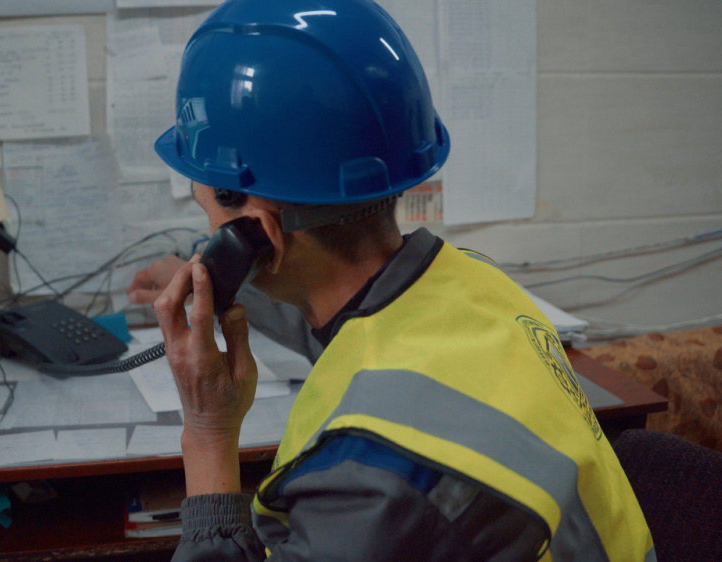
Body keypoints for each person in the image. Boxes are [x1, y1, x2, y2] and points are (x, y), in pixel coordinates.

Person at [129, 0, 655, 560]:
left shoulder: (369, 483)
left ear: (258, 234)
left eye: (207, 215)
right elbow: (347, 325)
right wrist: (216, 282)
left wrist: (208, 431)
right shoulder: (472, 281)